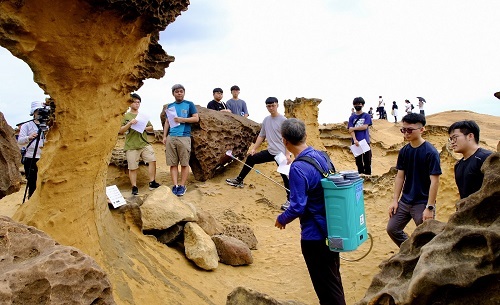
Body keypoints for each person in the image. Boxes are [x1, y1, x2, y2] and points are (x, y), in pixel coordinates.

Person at [275, 118, 346, 305]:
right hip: (331, 228)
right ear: (305, 135)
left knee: (326, 288)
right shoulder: (322, 155)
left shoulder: (298, 168)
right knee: (333, 281)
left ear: (285, 141)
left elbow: (298, 206)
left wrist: (282, 218)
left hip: (314, 236)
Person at [387, 113, 441, 247]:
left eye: (409, 130)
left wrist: (430, 207)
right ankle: (409, 250)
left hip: (422, 202)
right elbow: (400, 176)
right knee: (392, 229)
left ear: (422, 129)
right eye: (403, 130)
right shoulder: (404, 151)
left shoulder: (431, 152)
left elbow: (435, 181)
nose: (406, 133)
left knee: (427, 236)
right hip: (405, 201)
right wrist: (395, 200)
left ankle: (424, 259)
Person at [226, 97, 291, 208]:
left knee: (285, 175)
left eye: (273, 105)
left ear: (277, 105)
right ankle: (239, 180)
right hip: (271, 151)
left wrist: (288, 154)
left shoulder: (283, 120)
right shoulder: (266, 120)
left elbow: (288, 138)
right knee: (251, 158)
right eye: (268, 106)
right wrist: (254, 148)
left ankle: (291, 201)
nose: (271, 108)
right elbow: (262, 135)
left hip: (281, 153)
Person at [119, 93, 160, 195]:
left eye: (138, 102)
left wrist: (143, 128)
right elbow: (120, 130)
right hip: (131, 145)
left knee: (152, 160)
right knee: (132, 167)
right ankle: (134, 186)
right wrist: (130, 123)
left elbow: (151, 127)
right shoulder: (125, 116)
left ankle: (152, 182)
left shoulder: (142, 116)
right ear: (130, 103)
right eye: (134, 102)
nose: (137, 104)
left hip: (144, 143)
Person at [163, 84, 199, 196]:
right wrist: (164, 136)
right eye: (177, 91)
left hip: (184, 137)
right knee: (173, 164)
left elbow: (196, 118)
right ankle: (175, 185)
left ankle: (182, 186)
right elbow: (167, 122)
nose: (179, 93)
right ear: (173, 93)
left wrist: (182, 119)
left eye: (181, 91)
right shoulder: (170, 106)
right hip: (171, 137)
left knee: (184, 163)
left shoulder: (189, 104)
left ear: (184, 92)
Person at [448, 120, 492, 199]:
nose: (452, 142)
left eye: (455, 138)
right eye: (450, 139)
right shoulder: (458, 165)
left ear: (470, 136)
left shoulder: (486, 158)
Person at [17, 101, 47, 198]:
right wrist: (29, 137)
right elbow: (20, 141)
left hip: (45, 157)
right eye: (37, 111)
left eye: (41, 111)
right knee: (32, 182)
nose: (39, 113)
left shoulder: (48, 125)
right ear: (33, 112)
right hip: (31, 158)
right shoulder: (27, 125)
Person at [348, 97, 372, 175]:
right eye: (356, 104)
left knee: (367, 160)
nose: (357, 105)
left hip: (365, 141)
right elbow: (350, 130)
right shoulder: (352, 117)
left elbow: (365, 126)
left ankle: (368, 176)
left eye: (359, 104)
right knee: (358, 162)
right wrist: (355, 140)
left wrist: (354, 128)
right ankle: (361, 176)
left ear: (362, 105)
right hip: (355, 142)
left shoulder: (366, 116)